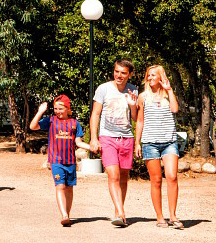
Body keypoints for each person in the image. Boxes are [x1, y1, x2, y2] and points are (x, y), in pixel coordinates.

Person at [89, 59, 139, 228]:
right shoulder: (103, 89)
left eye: (123, 73)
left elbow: (135, 118)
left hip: (126, 137)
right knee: (113, 175)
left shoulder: (133, 89)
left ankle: (118, 211)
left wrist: (133, 105)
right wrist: (94, 138)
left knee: (124, 178)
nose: (119, 75)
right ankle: (121, 213)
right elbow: (95, 114)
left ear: (129, 74)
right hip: (107, 137)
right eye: (117, 71)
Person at [134, 64, 183, 229]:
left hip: (169, 142)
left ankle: (174, 216)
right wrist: (137, 143)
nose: (150, 78)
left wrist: (169, 90)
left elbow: (175, 109)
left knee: (172, 176)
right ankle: (160, 217)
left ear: (161, 76)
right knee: (155, 180)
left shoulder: (168, 94)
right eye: (148, 75)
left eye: (153, 75)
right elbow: (139, 121)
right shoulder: (143, 97)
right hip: (150, 142)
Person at [29, 95, 87, 226]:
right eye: (55, 109)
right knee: (60, 186)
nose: (58, 111)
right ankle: (64, 215)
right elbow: (33, 126)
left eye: (61, 108)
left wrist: (92, 147)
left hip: (70, 161)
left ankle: (68, 214)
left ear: (67, 108)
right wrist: (40, 111)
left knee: (69, 188)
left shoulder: (74, 123)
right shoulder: (50, 121)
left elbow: (78, 142)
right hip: (56, 161)